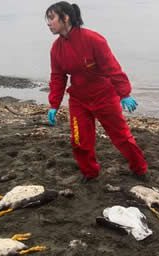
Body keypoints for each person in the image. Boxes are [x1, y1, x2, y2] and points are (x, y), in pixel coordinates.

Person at [45, 1, 147, 183]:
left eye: (52, 18)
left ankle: (139, 168)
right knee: (79, 140)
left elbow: (112, 67)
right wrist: (54, 104)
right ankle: (90, 172)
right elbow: (58, 77)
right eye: (48, 19)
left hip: (104, 96)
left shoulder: (94, 39)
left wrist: (124, 93)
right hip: (79, 99)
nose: (48, 23)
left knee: (121, 137)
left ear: (66, 17)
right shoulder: (56, 48)